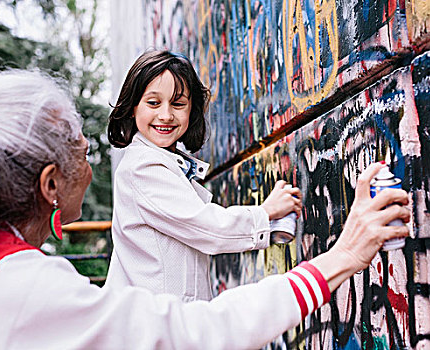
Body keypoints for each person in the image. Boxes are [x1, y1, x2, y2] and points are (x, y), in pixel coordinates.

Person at [0, 69, 410, 350]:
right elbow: (199, 332)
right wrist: (343, 255)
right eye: (83, 153)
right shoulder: (22, 288)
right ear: (51, 184)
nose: (94, 168)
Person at [106, 50, 303, 302]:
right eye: (153, 103)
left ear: (192, 110)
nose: (166, 115)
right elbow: (206, 226)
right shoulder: (143, 168)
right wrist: (266, 213)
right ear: (133, 107)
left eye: (178, 104)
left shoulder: (160, 162)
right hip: (160, 326)